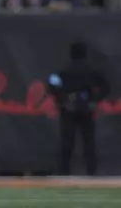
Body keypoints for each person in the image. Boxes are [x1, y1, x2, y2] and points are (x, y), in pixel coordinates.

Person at [47, 41, 109, 175]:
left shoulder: (63, 70)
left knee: (67, 141)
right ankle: (91, 172)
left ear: (71, 54)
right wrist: (95, 100)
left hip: (69, 107)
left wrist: (61, 100)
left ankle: (64, 172)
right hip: (86, 106)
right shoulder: (92, 70)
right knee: (88, 141)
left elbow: (52, 83)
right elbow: (105, 86)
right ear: (85, 54)